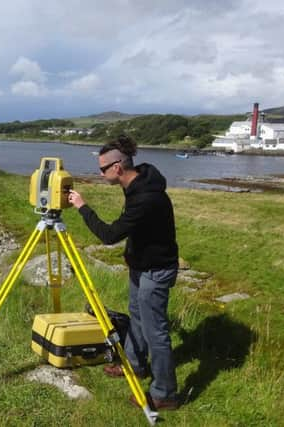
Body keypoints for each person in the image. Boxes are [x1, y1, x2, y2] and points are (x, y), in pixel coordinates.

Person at [68, 135, 179, 411]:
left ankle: (165, 394)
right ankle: (135, 366)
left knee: (156, 333)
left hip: (156, 271)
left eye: (103, 169)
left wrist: (82, 207)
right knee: (138, 319)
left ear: (118, 167)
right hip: (141, 267)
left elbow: (109, 235)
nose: (100, 173)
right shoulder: (137, 183)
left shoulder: (146, 197)